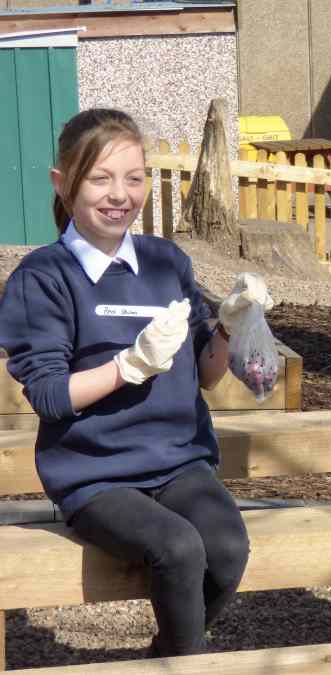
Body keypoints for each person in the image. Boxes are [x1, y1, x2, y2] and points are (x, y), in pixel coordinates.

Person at [0, 108, 271, 657]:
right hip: (95, 474)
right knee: (178, 548)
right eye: (100, 178)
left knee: (225, 548)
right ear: (63, 183)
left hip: (178, 461)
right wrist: (127, 367)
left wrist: (227, 327)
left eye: (134, 177)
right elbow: (49, 396)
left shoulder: (165, 261)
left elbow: (207, 375)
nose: (120, 195)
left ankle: (165, 658)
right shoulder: (44, 277)